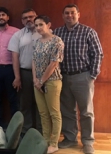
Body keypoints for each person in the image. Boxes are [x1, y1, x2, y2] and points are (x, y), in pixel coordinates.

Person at [54, 4, 103, 154]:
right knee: (67, 110)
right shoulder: (57, 32)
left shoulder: (88, 31)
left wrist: (92, 75)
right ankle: (70, 138)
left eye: (72, 13)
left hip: (83, 76)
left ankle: (88, 141)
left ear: (78, 14)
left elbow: (98, 54)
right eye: (66, 13)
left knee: (86, 112)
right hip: (63, 77)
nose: (70, 16)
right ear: (62, 16)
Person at [32, 15, 64, 154]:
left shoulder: (57, 41)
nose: (38, 28)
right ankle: (45, 140)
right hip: (37, 82)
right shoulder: (37, 42)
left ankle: (54, 143)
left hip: (52, 81)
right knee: (43, 113)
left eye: (41, 25)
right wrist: (35, 79)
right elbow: (33, 61)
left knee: (54, 113)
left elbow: (54, 63)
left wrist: (41, 80)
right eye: (36, 25)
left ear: (49, 24)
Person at [8, 8, 42, 135]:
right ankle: (25, 132)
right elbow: (14, 57)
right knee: (25, 104)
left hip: (43, 74)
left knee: (41, 104)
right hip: (25, 73)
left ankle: (41, 132)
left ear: (36, 17)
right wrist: (17, 77)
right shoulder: (18, 35)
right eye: (25, 18)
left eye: (31, 16)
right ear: (22, 21)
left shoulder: (46, 32)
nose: (29, 19)